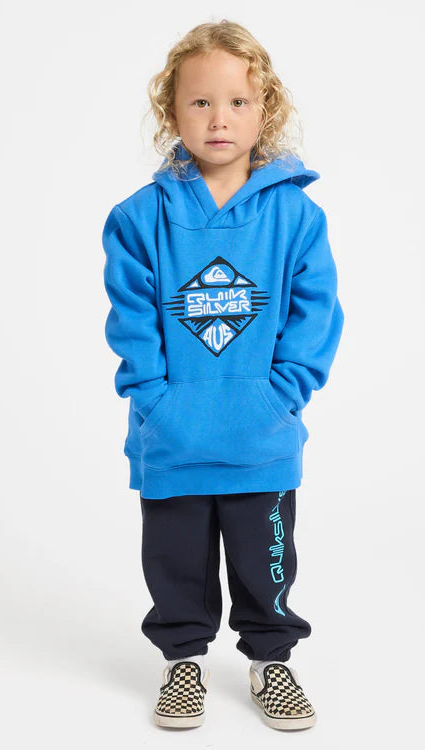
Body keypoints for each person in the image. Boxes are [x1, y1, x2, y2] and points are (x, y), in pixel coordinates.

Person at [102, 19, 344, 730]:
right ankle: (183, 663)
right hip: (172, 435)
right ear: (170, 111)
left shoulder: (296, 215)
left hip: (261, 437)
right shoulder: (139, 219)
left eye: (238, 102)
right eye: (201, 102)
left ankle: (272, 661)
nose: (219, 119)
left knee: (266, 562)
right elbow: (132, 319)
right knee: (174, 562)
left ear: (265, 108)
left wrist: (282, 395)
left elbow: (316, 313)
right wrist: (155, 402)